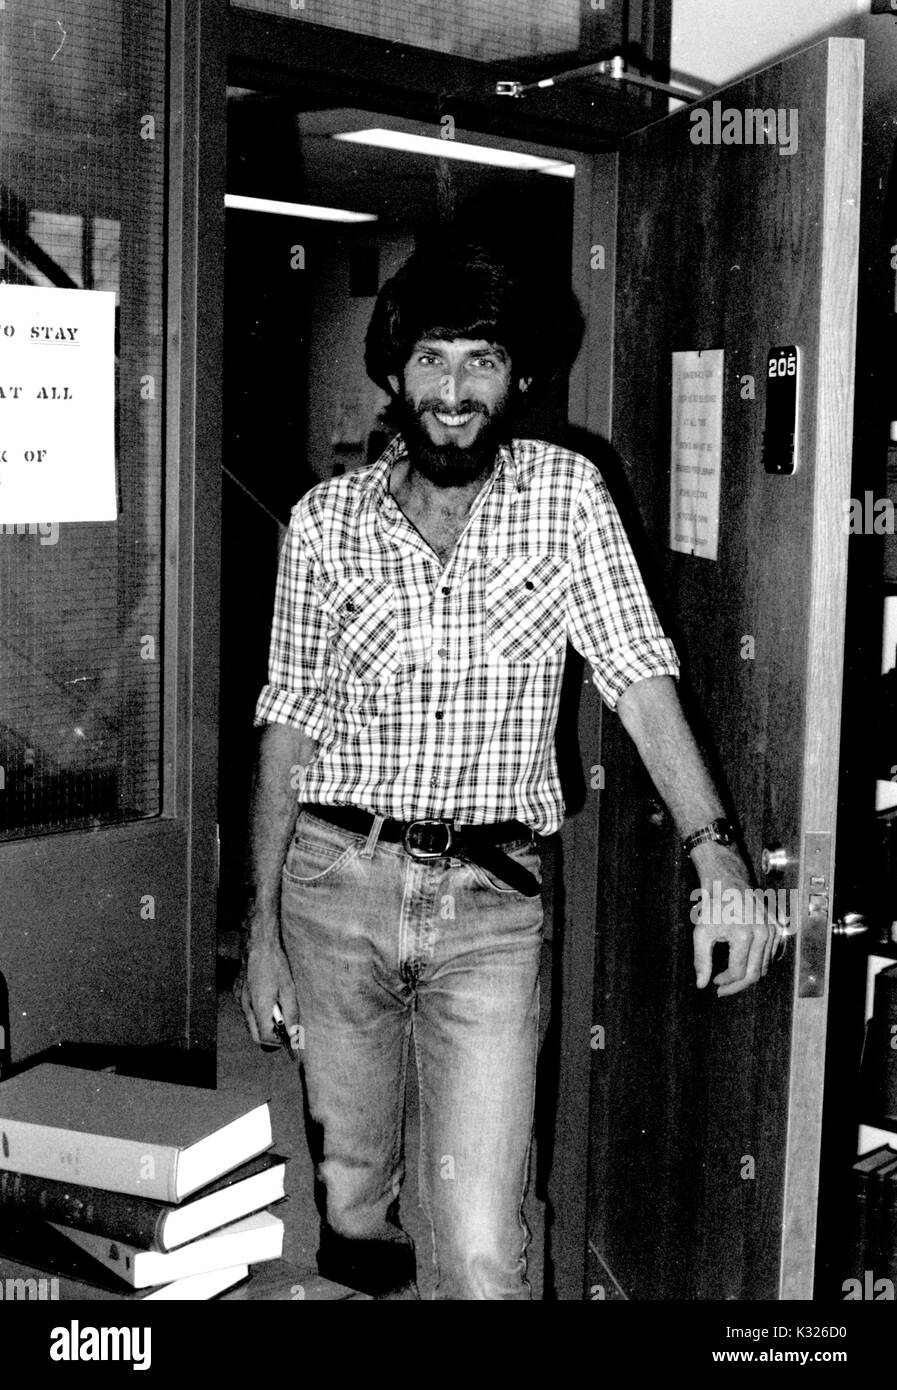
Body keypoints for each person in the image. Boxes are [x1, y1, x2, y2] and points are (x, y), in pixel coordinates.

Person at [235, 239, 779, 1300]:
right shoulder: (322, 525)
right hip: (333, 884)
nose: (452, 391)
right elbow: (288, 722)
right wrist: (257, 926)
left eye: (480, 360)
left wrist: (717, 853)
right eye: (431, 359)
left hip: (492, 905)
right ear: (394, 371)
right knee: (352, 1195)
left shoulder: (568, 498)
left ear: (517, 375)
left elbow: (637, 674)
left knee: (484, 1239)